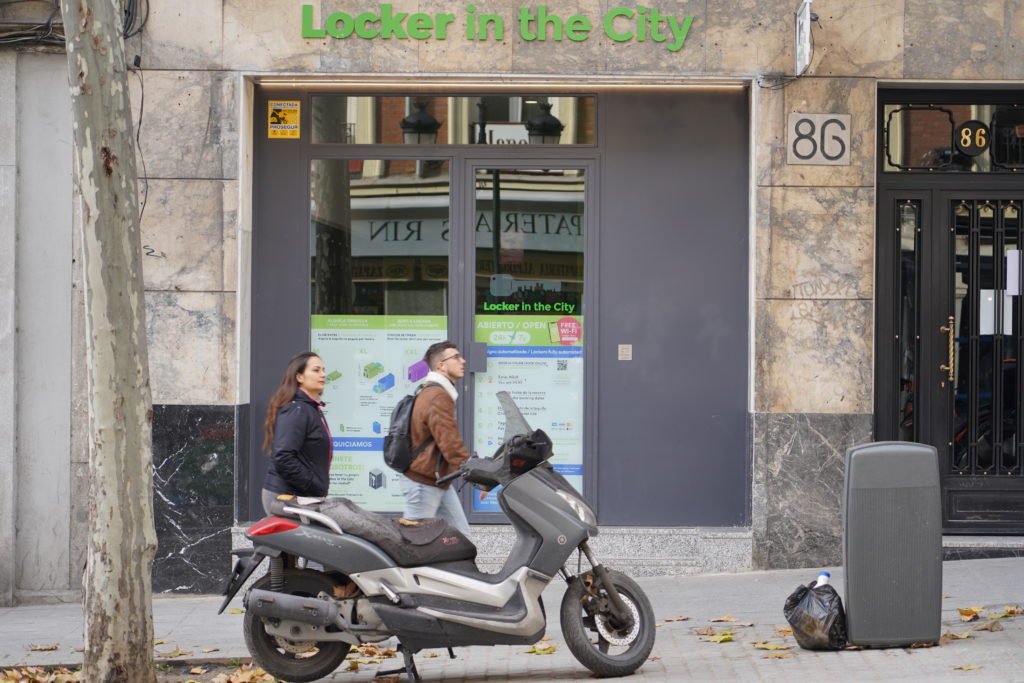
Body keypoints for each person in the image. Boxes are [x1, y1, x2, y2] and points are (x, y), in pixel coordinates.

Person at [401, 340, 472, 536]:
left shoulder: (433, 391)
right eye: (456, 357)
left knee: (461, 537)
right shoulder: (437, 395)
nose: (463, 361)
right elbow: (448, 440)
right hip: (423, 483)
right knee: (413, 541)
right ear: (441, 365)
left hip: (436, 480)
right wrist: (473, 470)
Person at [261, 351, 332, 515]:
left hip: (301, 495)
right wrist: (312, 484)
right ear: (299, 377)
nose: (323, 374)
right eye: (316, 370)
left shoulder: (309, 408)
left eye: (323, 369)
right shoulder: (298, 410)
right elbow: (283, 456)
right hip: (287, 496)